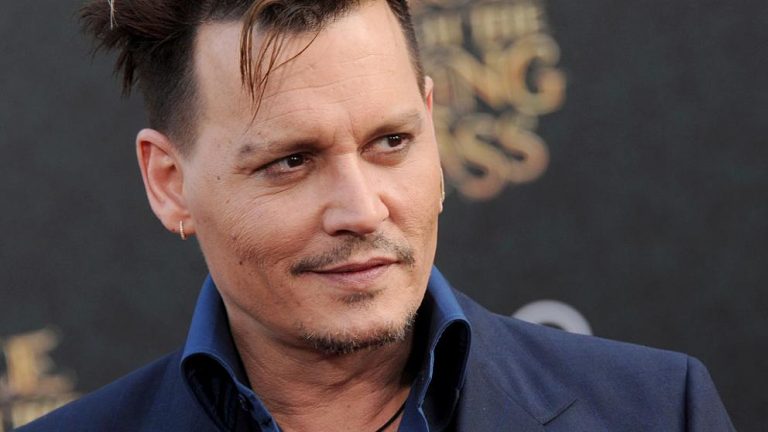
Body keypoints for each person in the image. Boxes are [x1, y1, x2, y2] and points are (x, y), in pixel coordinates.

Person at [20, 0, 734, 431]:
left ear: (431, 121)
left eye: (391, 142)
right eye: (291, 161)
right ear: (170, 183)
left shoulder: (654, 410)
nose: (363, 210)